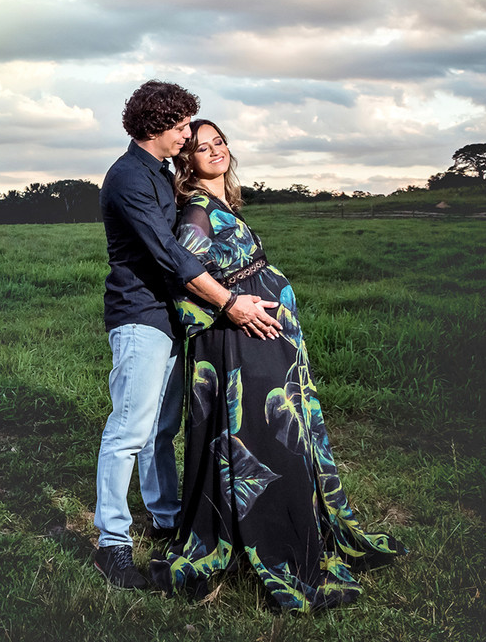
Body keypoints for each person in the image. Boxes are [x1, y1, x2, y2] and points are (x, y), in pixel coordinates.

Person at [148, 119, 406, 611]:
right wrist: (233, 307)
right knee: (262, 436)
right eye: (202, 148)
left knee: (276, 430)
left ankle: (288, 522)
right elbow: (182, 273)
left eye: (219, 142)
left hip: (263, 332)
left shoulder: (223, 203)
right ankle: (278, 540)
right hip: (243, 336)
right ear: (188, 162)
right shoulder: (198, 211)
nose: (215, 151)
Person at [94, 82, 282, 590]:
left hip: (171, 317)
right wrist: (227, 303)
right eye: (181, 127)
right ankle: (110, 541)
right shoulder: (129, 177)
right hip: (141, 316)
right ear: (156, 127)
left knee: (161, 428)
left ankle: (164, 516)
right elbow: (170, 255)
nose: (187, 136)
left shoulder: (156, 172)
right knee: (129, 430)